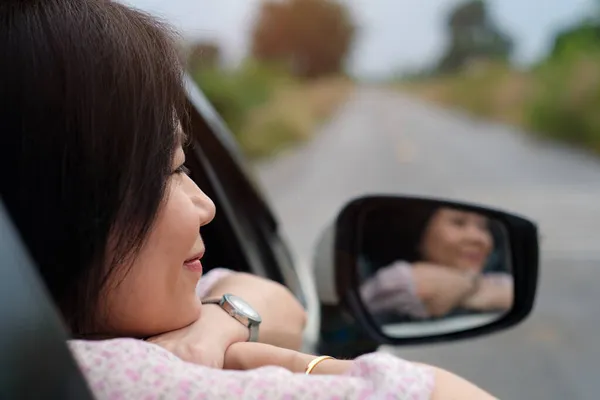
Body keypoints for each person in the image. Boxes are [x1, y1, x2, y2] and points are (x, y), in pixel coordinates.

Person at [0, 1, 496, 398]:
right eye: (171, 169)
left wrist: (215, 327)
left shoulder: (137, 314)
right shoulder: (137, 377)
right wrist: (305, 367)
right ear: (67, 204)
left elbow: (280, 306)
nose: (206, 206)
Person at [360, 207, 514, 320]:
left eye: (483, 227)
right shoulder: (398, 278)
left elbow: (510, 291)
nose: (477, 238)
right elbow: (416, 286)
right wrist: (476, 287)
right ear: (421, 233)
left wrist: (466, 287)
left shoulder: (498, 279)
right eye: (458, 223)